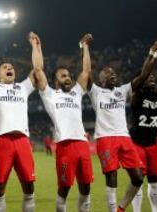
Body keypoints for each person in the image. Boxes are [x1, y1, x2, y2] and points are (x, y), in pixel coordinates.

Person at [88, 39, 157, 212]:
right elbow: (86, 72)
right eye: (107, 74)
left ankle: (120, 208)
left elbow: (143, 75)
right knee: (112, 176)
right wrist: (83, 48)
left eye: (113, 73)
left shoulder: (123, 90)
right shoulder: (96, 92)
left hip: (124, 137)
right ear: (101, 80)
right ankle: (113, 210)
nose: (112, 74)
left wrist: (153, 54)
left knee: (138, 178)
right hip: (105, 138)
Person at [0, 28, 40, 212]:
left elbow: (37, 70)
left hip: (22, 140)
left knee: (29, 186)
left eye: (10, 67)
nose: (9, 68)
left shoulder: (23, 88)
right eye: (4, 67)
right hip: (2, 141)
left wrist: (35, 46)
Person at [35, 33, 94, 212]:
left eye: (68, 75)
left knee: (86, 188)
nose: (68, 77)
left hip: (82, 144)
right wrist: (36, 46)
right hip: (65, 146)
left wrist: (85, 47)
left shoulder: (76, 91)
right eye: (63, 76)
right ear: (55, 81)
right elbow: (38, 71)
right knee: (64, 188)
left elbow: (86, 71)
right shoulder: (50, 95)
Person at [130, 71, 157, 211]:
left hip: (152, 145)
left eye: (153, 75)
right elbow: (137, 87)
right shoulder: (137, 96)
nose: (152, 77)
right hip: (137, 145)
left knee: (154, 182)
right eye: (148, 76)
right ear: (141, 80)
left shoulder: (156, 94)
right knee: (137, 182)